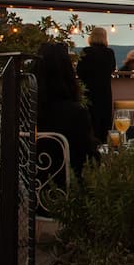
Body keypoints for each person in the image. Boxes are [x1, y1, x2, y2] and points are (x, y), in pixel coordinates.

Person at [34, 42, 97, 177]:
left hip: (32, 185)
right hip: (67, 189)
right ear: (68, 71)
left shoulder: (23, 110)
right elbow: (89, 159)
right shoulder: (76, 114)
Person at [76, 26, 117, 143]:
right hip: (104, 91)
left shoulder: (86, 52)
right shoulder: (109, 52)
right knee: (104, 121)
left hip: (89, 91)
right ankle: (104, 147)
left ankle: (90, 146)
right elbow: (112, 69)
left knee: (90, 120)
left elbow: (79, 71)